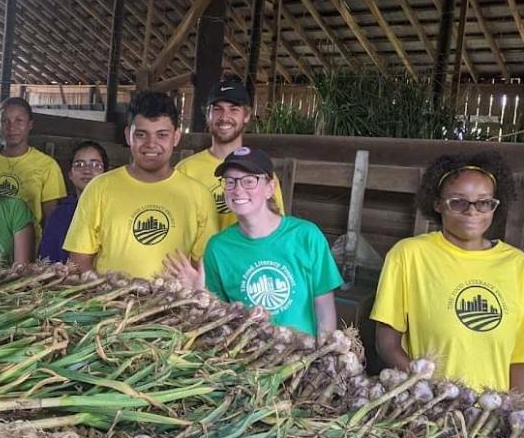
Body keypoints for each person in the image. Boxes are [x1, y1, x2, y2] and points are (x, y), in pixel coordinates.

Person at [371, 152, 524, 395]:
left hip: (491, 415)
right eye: (458, 202)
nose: (472, 211)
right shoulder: (409, 255)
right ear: (437, 204)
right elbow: (387, 343)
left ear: (495, 205)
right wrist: (429, 392)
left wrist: (512, 408)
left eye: (484, 202)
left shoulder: (518, 266)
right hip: (427, 407)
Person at [166, 147, 341, 339]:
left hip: (302, 358)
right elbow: (221, 316)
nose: (238, 189)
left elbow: (324, 309)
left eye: (249, 181)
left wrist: (324, 357)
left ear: (270, 188)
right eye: (230, 182)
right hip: (249, 360)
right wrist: (201, 293)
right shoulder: (218, 247)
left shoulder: (306, 236)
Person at [64, 91, 216, 279]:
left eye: (162, 135)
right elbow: (79, 258)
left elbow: (201, 265)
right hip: (110, 304)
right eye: (142, 134)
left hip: (175, 304)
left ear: (176, 137)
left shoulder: (199, 195)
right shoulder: (99, 188)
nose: (151, 144)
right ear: (128, 136)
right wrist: (103, 297)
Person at [176, 76, 284, 230]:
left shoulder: (261, 172)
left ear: (246, 116)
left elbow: (276, 226)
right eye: (217, 109)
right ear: (208, 116)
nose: (224, 117)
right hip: (199, 254)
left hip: (246, 253)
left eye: (233, 109)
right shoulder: (185, 170)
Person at [0, 98, 66, 240]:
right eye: (5, 120)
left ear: (30, 124)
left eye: (19, 120)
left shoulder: (47, 165)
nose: (12, 127)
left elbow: (51, 218)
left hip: (28, 248)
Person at [38, 141, 108, 264]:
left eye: (95, 164)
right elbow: (47, 260)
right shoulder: (59, 215)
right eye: (79, 164)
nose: (87, 170)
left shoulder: (113, 211)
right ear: (70, 174)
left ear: (106, 173)